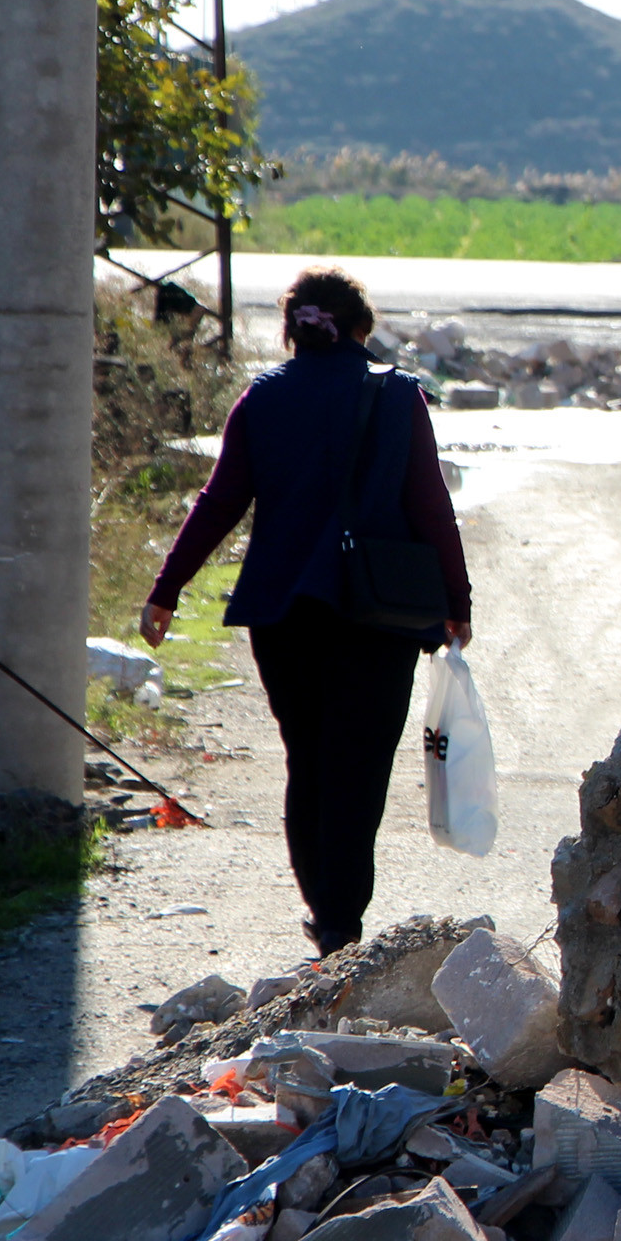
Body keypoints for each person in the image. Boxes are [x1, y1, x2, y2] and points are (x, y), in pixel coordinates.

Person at [140, 268, 472, 957]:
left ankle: (324, 908)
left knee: (310, 760)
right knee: (360, 766)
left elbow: (219, 502)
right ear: (361, 328)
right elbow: (430, 505)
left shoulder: (261, 397)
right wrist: (456, 600)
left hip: (283, 613)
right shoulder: (399, 395)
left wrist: (167, 590)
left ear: (291, 330)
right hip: (378, 614)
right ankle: (341, 918)